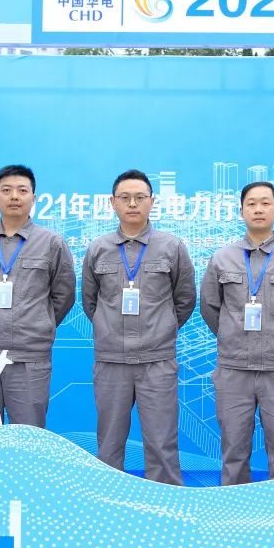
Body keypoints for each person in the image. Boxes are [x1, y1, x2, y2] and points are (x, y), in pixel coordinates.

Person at [200, 181, 274, 484]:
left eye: (265, 203)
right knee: (233, 453)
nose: (258, 209)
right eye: (251, 203)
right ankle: (234, 509)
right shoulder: (222, 258)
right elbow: (210, 307)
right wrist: (232, 336)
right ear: (241, 211)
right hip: (233, 370)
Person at [82, 169, 196, 485]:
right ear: (113, 202)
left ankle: (166, 504)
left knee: (161, 444)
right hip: (111, 361)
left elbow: (185, 299)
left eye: (139, 197)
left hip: (157, 361)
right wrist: (110, 329)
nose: (132, 204)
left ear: (151, 202)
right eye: (125, 197)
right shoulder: (98, 248)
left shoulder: (172, 247)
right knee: (109, 445)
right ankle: (109, 503)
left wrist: (162, 329)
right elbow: (90, 302)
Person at [0, 164, 76, 429]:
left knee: (29, 438)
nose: (14, 197)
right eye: (6, 190)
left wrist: (39, 321)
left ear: (34, 197)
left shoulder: (51, 243)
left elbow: (64, 295)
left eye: (22, 190)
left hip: (28, 356)